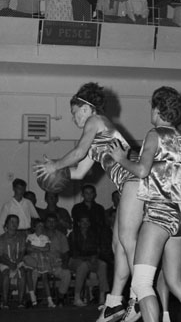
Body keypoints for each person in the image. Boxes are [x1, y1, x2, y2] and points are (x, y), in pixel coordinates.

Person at [34, 82, 143, 322]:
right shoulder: (97, 138)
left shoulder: (95, 120)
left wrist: (56, 164)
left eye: (74, 112)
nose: (73, 118)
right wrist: (53, 171)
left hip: (136, 181)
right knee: (118, 244)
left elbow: (78, 152)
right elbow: (78, 171)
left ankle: (139, 297)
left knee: (126, 242)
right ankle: (115, 303)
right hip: (130, 184)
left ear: (86, 108)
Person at [109, 86, 181, 322]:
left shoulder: (154, 134)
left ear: (157, 110)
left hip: (160, 211)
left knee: (142, 283)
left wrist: (121, 159)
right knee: (176, 282)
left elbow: (142, 171)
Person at [69, 215, 110, 307]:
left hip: (91, 259)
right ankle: (77, 297)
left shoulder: (93, 235)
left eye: (87, 221)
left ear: (89, 223)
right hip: (75, 260)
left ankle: (102, 297)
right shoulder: (73, 235)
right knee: (83, 266)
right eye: (82, 222)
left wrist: (95, 256)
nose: (85, 224)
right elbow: (73, 252)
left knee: (103, 264)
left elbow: (97, 249)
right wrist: (88, 258)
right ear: (78, 223)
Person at [0, 214, 27, 309]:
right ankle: (5, 301)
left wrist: (17, 262)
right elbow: (0, 256)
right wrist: (10, 264)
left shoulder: (21, 237)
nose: (14, 224)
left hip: (17, 261)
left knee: (22, 272)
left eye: (16, 222)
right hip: (5, 262)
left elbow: (22, 252)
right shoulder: (1, 239)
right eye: (12, 222)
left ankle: (21, 301)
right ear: (6, 224)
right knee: (5, 274)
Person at [23, 219, 55, 308]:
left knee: (45, 277)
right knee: (28, 272)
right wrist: (40, 248)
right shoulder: (30, 236)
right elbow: (28, 248)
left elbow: (47, 248)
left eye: (42, 226)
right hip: (32, 257)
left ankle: (50, 300)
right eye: (39, 226)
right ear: (34, 227)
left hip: (42, 258)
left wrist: (35, 248)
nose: (41, 227)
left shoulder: (45, 237)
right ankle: (32, 296)